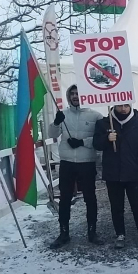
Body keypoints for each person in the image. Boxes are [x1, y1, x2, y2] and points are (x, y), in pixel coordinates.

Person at [48, 85, 103, 249]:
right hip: (67, 163)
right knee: (64, 199)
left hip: (87, 162)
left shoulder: (96, 115)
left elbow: (100, 139)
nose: (75, 96)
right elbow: (51, 135)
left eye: (78, 93)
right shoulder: (63, 114)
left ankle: (92, 232)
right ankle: (63, 233)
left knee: (90, 198)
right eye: (72, 93)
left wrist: (82, 142)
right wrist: (56, 123)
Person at [93, 104, 138, 249]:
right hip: (113, 173)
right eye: (120, 106)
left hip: (133, 172)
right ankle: (120, 233)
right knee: (116, 206)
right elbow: (96, 144)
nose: (123, 109)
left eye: (126, 105)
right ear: (114, 105)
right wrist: (107, 138)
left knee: (137, 204)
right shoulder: (104, 123)